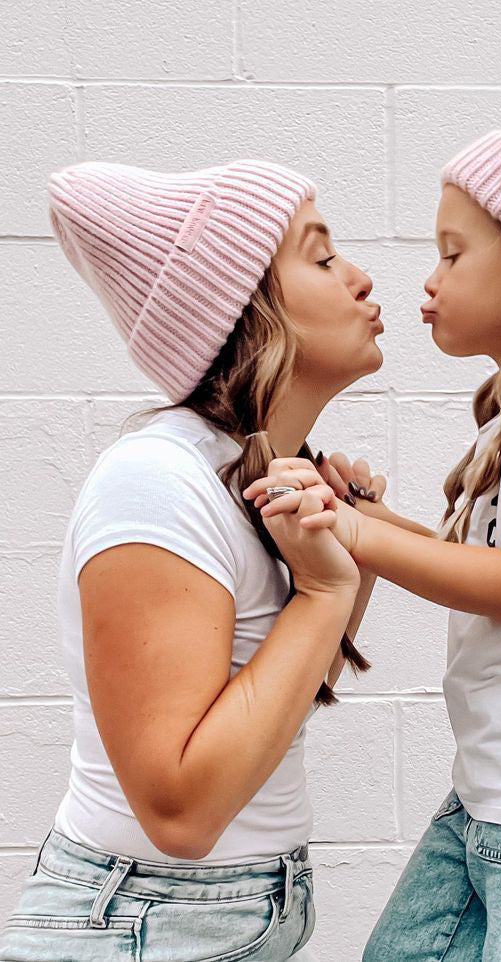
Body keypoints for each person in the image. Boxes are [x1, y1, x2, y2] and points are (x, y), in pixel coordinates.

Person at [246, 73, 501, 960]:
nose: (427, 280)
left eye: (452, 253)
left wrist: (356, 535)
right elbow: (478, 564)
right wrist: (366, 515)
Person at [0, 158, 386, 961]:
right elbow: (180, 811)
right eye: (321, 257)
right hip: (145, 922)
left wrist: (355, 565)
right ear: (243, 311)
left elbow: (261, 718)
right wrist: (320, 590)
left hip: (211, 916)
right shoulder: (156, 482)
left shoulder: (254, 468)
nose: (360, 277)